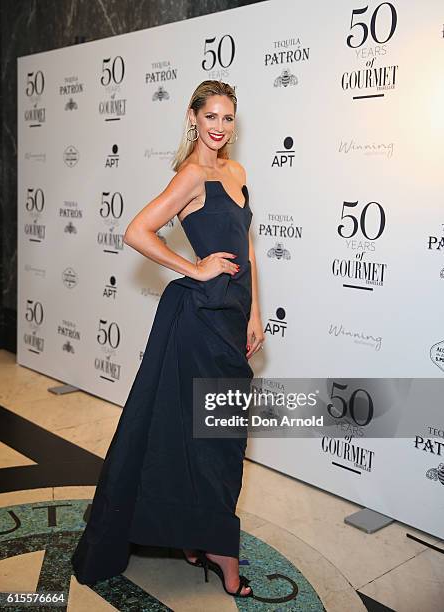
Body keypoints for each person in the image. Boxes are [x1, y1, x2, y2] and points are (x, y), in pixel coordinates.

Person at [71, 80, 264, 599]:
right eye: (211, 117)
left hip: (233, 316)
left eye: (228, 118)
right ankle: (220, 546)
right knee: (207, 439)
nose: (220, 127)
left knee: (221, 435)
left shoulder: (238, 172)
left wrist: (256, 312)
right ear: (193, 118)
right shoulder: (191, 176)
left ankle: (195, 533)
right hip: (200, 321)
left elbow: (246, 245)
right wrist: (193, 268)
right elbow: (137, 231)